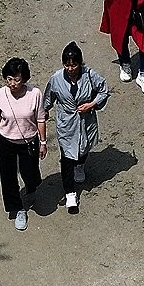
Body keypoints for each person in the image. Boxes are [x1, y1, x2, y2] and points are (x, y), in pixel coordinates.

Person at [43, 41, 109, 214]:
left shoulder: (90, 75)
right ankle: (70, 194)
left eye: (74, 64)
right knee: (66, 157)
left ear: (80, 63)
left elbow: (103, 90)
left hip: (86, 119)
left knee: (84, 147)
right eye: (67, 65)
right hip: (67, 123)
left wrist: (92, 104)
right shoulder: (56, 78)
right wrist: (43, 113)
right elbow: (48, 98)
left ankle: (80, 165)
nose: (70, 68)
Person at [0, 57, 46, 231]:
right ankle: (18, 208)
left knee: (31, 174)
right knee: (8, 177)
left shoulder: (35, 94)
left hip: (29, 141)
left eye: (17, 79)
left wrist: (43, 142)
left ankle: (32, 186)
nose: (12, 83)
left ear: (24, 78)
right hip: (6, 142)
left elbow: (41, 119)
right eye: (9, 79)